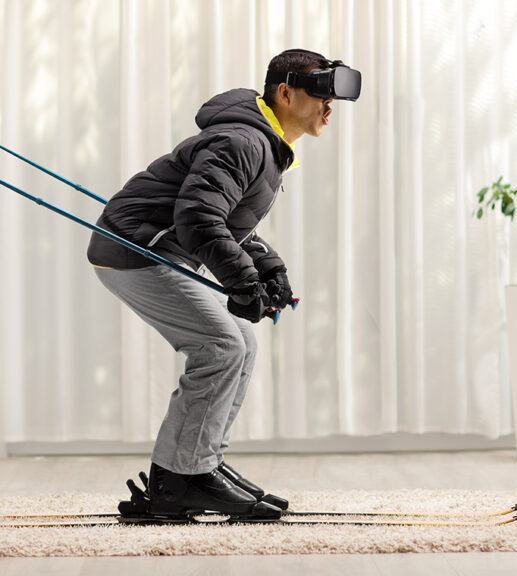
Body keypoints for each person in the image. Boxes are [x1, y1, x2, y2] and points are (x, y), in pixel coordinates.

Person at [87, 49, 351, 520]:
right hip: (136, 250)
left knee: (240, 343)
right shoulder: (244, 142)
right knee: (221, 346)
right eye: (320, 93)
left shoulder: (263, 143)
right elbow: (198, 217)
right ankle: (180, 481)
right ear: (285, 93)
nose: (328, 107)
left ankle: (198, 464)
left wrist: (267, 267)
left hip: (154, 247)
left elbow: (227, 220)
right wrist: (243, 280)